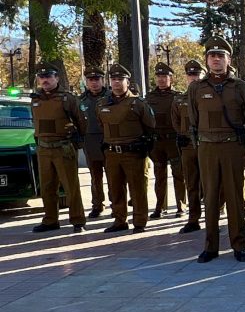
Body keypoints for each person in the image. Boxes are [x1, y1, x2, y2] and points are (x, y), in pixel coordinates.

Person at [188, 36, 245, 263]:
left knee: (235, 197)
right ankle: (211, 247)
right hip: (207, 147)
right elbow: (193, 120)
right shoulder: (196, 88)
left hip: (232, 147)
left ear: (229, 59)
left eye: (221, 56)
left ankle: (239, 245)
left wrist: (239, 142)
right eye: (212, 56)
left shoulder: (241, 87)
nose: (216, 59)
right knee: (209, 198)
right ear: (207, 60)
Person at [97, 64, 156, 234]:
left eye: (120, 79)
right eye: (113, 79)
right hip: (112, 153)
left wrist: (144, 146)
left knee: (137, 189)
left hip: (134, 153)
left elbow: (150, 127)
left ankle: (139, 221)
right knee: (115, 189)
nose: (116, 82)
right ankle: (119, 220)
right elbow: (103, 126)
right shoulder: (101, 104)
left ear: (127, 82)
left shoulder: (138, 103)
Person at [30, 62, 87, 233]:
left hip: (63, 148)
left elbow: (81, 121)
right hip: (44, 149)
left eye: (48, 77)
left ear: (56, 78)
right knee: (47, 187)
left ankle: (78, 220)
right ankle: (50, 220)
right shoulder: (35, 99)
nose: (45, 80)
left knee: (71, 186)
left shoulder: (67, 98)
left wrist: (76, 142)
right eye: (42, 77)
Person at [146, 62, 186, 219]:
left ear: (171, 79)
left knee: (178, 175)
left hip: (173, 140)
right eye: (159, 76)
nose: (161, 80)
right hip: (157, 142)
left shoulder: (178, 96)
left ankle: (181, 206)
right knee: (159, 176)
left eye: (165, 76)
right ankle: (159, 207)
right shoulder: (149, 97)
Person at [171, 59, 205, 233]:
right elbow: (176, 122)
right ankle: (193, 218)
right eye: (190, 75)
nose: (194, 78)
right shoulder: (179, 100)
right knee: (191, 184)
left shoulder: (209, 97)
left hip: (207, 146)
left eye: (197, 74)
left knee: (213, 184)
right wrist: (185, 136)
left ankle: (215, 216)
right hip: (188, 147)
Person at [79, 66, 110, 219]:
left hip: (108, 140)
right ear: (86, 82)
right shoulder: (81, 99)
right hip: (90, 142)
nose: (94, 83)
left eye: (97, 79)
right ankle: (97, 204)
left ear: (102, 80)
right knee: (95, 176)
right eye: (90, 80)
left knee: (114, 177)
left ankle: (117, 204)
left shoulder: (111, 97)